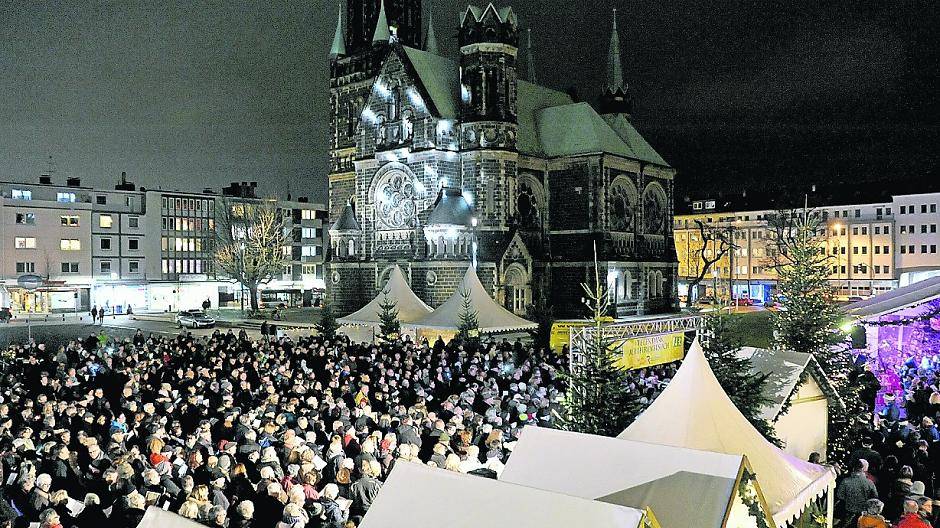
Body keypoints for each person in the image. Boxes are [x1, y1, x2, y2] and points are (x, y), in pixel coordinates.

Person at [837, 459, 878, 527]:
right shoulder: (869, 482)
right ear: (863, 469)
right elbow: (875, 497)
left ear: (853, 468)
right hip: (864, 513)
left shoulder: (845, 481)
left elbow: (840, 495)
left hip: (849, 511)